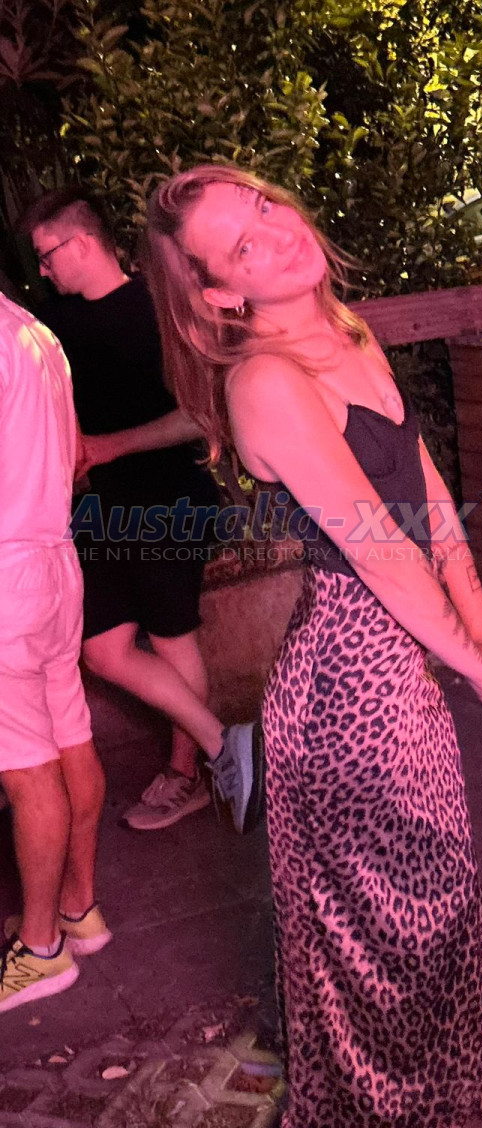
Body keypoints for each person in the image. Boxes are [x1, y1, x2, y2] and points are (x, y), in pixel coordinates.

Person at [143, 164, 482, 1127]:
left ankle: (432, 1096)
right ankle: (382, 1107)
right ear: (221, 293)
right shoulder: (264, 381)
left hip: (396, 666)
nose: (275, 231)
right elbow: (377, 548)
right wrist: (474, 660)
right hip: (347, 687)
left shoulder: (347, 331)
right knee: (392, 927)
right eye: (241, 245)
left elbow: (427, 496)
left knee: (430, 901)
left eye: (262, 205)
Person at [18, 189, 263, 834]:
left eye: (47, 255)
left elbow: (201, 415)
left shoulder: (158, 312)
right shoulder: (52, 324)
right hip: (100, 509)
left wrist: (107, 446)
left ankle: (187, 775)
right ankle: (225, 746)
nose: (42, 269)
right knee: (101, 649)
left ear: (82, 243)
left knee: (172, 635)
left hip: (169, 499)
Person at [0, 291, 110, 1013]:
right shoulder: (33, 331)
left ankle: (40, 950)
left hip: (5, 574)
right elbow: (73, 459)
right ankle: (79, 910)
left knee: (25, 768)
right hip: (54, 562)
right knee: (69, 734)